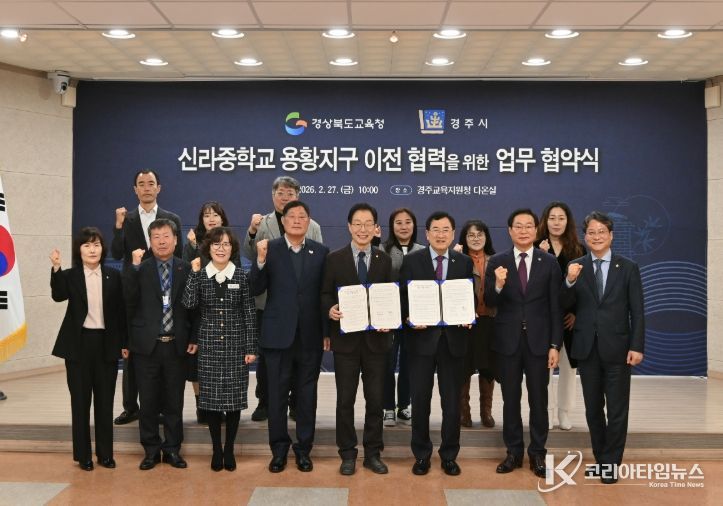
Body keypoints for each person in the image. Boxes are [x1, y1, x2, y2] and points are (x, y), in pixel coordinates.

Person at [561, 211, 644, 484]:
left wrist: (636, 346)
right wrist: (569, 281)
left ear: (611, 235)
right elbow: (563, 304)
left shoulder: (628, 267)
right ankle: (601, 458)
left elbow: (637, 311)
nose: (596, 237)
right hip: (587, 349)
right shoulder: (576, 266)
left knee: (617, 410)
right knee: (593, 410)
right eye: (591, 232)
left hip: (618, 349)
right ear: (584, 237)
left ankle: (611, 464)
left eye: (601, 232)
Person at [249, 201, 328, 474]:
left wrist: (326, 332)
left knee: (307, 397)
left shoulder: (321, 252)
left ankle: (304, 450)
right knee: (277, 396)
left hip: (309, 336)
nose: (296, 220)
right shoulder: (269, 249)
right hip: (277, 336)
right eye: (291, 216)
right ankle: (279, 451)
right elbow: (255, 288)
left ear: (309, 222)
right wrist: (260, 261)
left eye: (301, 216)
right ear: (282, 221)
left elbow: (324, 295)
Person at [484, 208, 562, 478]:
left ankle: (538, 453)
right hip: (508, 342)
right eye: (518, 226)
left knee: (539, 400)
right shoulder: (498, 261)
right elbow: (489, 301)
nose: (524, 230)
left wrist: (555, 345)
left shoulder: (549, 262)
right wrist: (498, 284)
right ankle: (513, 452)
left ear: (536, 230)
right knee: (510, 399)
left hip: (540, 343)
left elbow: (556, 307)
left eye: (529, 226)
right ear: (509, 230)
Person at [242, 176, 323, 423]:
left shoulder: (313, 225)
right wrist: (252, 232)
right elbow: (250, 254)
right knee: (268, 360)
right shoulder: (262, 222)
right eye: (281, 193)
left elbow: (318, 262)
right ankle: (265, 401)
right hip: (268, 303)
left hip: (301, 308)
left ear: (298, 196)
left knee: (299, 361)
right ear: (273, 195)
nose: (285, 197)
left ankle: (296, 404)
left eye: (290, 193)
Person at [399, 211, 473, 477]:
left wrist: (468, 315)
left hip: (453, 342)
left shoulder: (463, 262)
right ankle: (421, 455)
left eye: (446, 230)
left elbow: (469, 297)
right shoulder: (412, 260)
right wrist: (408, 318)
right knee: (420, 400)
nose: (441, 235)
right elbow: (403, 297)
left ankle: (449, 455)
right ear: (427, 233)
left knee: (451, 403)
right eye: (436, 230)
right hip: (420, 341)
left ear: (453, 234)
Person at [322, 203, 393, 476]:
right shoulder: (334, 259)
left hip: (376, 343)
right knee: (345, 401)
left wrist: (388, 320)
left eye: (368, 224)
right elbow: (324, 294)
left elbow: (390, 296)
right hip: (346, 343)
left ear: (376, 228)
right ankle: (348, 453)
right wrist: (330, 309)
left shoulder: (384, 260)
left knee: (375, 401)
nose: (363, 229)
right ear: (349, 227)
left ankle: (373, 453)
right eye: (358, 224)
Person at [49, 227, 126, 471]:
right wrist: (56, 268)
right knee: (80, 402)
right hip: (78, 346)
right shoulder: (70, 276)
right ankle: (83, 455)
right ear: (79, 250)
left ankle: (105, 454)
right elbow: (58, 295)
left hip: (106, 344)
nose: (92, 250)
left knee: (105, 402)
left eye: (96, 245)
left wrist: (124, 344)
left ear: (103, 249)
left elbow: (121, 313)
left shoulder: (113, 276)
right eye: (87, 245)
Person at [122, 218, 196, 470]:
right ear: (149, 242)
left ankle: (173, 449)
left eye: (166, 236)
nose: (162, 242)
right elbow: (128, 303)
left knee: (174, 401)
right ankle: (151, 451)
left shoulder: (186, 268)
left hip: (176, 345)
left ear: (175, 240)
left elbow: (194, 308)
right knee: (148, 402)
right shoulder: (140, 269)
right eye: (156, 237)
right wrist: (132, 269)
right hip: (146, 347)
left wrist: (193, 338)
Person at [111, 169, 183, 426]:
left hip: (164, 289)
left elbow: (179, 256)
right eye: (141, 184)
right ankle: (131, 407)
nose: (146, 188)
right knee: (134, 349)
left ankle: (160, 407)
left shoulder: (171, 218)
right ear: (135, 190)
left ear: (159, 188)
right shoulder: (126, 218)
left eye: (151, 183)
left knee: (161, 352)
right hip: (134, 290)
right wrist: (118, 227)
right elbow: (116, 253)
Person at [183, 227, 258, 472]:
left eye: (226, 244)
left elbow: (249, 313)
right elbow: (189, 303)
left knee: (234, 401)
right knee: (212, 401)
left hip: (236, 347)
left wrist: (250, 347)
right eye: (216, 244)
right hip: (209, 347)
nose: (221, 248)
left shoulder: (241, 276)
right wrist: (193, 273)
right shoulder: (201, 274)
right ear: (209, 248)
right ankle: (216, 449)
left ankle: (229, 449)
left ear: (232, 248)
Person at [535, 201, 586, 431]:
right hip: (543, 319)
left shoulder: (578, 249)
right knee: (543, 369)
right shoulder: (535, 247)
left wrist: (575, 313)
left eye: (561, 218)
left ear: (568, 222)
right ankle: (547, 412)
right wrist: (541, 255)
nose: (556, 223)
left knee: (568, 368)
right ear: (545, 221)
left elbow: (585, 288)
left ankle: (565, 412)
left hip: (568, 320)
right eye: (552, 218)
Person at [182, 201, 232, 424]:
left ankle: (218, 404)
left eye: (215, 215)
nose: (211, 219)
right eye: (206, 215)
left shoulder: (229, 240)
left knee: (221, 361)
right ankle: (201, 404)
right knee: (197, 362)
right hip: (197, 309)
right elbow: (187, 270)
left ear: (222, 218)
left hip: (223, 308)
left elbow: (235, 269)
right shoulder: (193, 241)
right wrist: (193, 246)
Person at [378, 208, 424, 427]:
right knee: (387, 362)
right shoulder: (381, 249)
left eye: (408, 222)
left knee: (409, 362)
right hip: (388, 315)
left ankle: (404, 404)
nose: (403, 226)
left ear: (414, 225)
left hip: (415, 317)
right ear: (391, 226)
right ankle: (388, 407)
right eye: (398, 222)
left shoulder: (423, 250)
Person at [457, 220, 498, 428]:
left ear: (486, 237)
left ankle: (486, 412)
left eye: (479, 234)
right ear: (464, 238)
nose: (475, 238)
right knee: (464, 367)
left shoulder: (496, 260)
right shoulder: (457, 260)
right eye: (471, 235)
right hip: (465, 324)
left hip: (489, 321)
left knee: (488, 367)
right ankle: (464, 412)